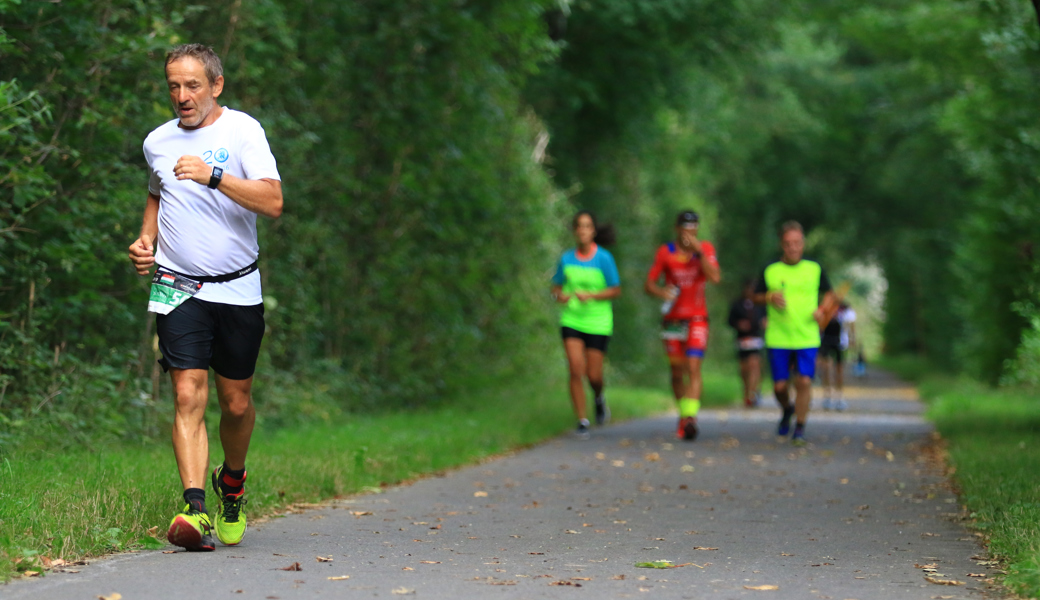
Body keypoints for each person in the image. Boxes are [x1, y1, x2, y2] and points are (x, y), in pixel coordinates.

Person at [128, 44, 283, 551]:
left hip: (237, 286)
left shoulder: (243, 131)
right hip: (177, 284)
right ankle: (195, 511)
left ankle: (231, 484)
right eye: (174, 86)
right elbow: (157, 193)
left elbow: (273, 201)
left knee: (235, 404)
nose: (182, 96)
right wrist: (146, 239)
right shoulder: (157, 141)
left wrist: (213, 175)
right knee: (186, 394)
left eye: (192, 85)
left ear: (216, 85)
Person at [754, 221, 834, 445]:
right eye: (788, 243)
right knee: (779, 387)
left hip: (807, 336)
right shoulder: (770, 270)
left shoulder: (814, 268)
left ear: (803, 243)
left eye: (797, 243)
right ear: (782, 244)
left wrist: (822, 309)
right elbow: (754, 296)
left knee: (804, 381)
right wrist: (769, 297)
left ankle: (799, 428)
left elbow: (830, 294)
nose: (793, 248)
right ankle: (787, 409)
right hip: (778, 336)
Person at [645, 210, 721, 441]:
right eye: (686, 228)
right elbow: (649, 284)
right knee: (677, 371)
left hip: (697, 318)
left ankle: (690, 418)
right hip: (673, 321)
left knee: (693, 366)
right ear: (677, 229)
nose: (690, 233)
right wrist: (662, 292)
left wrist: (700, 252)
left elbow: (715, 277)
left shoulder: (705, 249)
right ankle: (683, 415)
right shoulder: (665, 252)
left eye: (694, 228)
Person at [550, 211, 621, 440]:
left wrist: (591, 295)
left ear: (593, 231)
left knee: (594, 375)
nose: (583, 230)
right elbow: (555, 287)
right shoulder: (566, 259)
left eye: (587, 226)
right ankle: (582, 420)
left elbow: (615, 289)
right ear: (574, 231)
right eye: (579, 226)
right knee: (575, 369)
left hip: (598, 322)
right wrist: (559, 296)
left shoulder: (604, 258)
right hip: (571, 319)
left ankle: (599, 398)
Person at [727, 279, 767, 408]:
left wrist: (764, 323)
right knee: (744, 368)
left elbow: (765, 319)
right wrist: (738, 324)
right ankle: (746, 391)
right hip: (742, 340)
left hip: (756, 339)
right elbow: (730, 321)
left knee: (754, 365)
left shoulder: (761, 305)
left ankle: (752, 393)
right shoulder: (737, 304)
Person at [819, 301, 856, 411]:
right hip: (826, 341)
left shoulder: (846, 310)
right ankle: (827, 396)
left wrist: (852, 339)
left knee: (839, 370)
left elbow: (851, 326)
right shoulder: (825, 308)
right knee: (826, 369)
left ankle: (839, 397)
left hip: (840, 343)